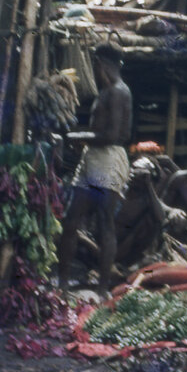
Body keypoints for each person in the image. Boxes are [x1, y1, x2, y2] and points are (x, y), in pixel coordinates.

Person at [57, 44, 133, 297]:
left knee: (104, 222)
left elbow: (111, 135)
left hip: (107, 159)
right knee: (71, 221)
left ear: (100, 64)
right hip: (93, 158)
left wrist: (75, 135)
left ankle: (102, 289)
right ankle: (63, 283)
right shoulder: (108, 92)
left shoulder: (117, 92)